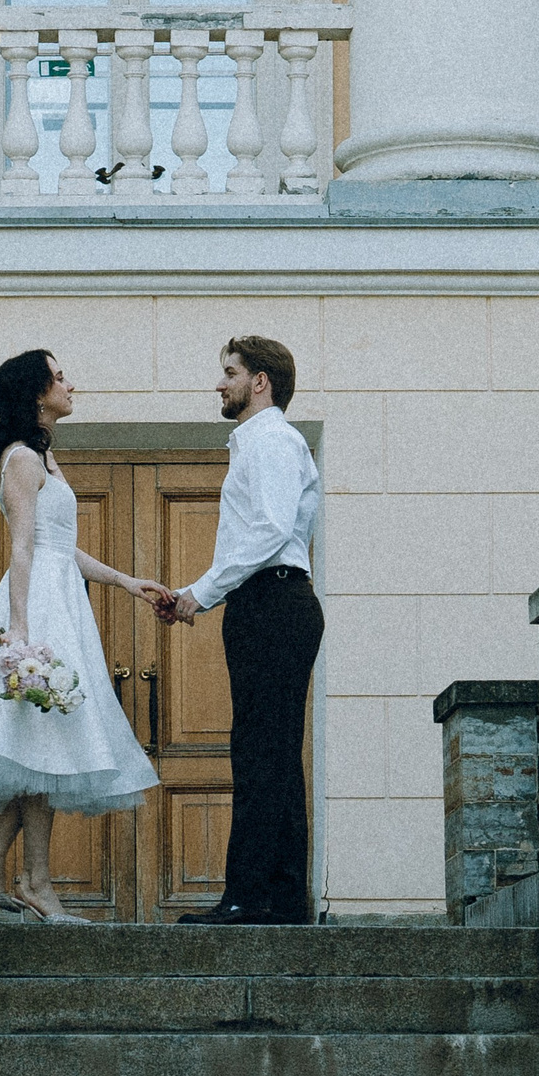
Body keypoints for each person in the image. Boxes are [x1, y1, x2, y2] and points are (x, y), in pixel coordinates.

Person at [0, 349, 166, 922]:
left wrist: (125, 581)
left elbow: (60, 545)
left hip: (59, 592)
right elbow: (23, 546)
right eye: (60, 376)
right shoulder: (21, 458)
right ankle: (32, 880)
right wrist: (20, 629)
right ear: (36, 391)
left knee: (45, 747)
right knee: (44, 743)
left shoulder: (44, 455)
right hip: (38, 601)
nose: (71, 383)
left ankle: (3, 860)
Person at [165, 336, 324, 925]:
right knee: (272, 752)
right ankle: (282, 900)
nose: (220, 384)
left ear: (261, 382)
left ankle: (248, 897)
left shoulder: (272, 440)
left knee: (261, 752)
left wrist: (198, 594)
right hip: (268, 601)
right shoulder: (259, 443)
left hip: (273, 601)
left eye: (229, 373)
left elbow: (269, 530)